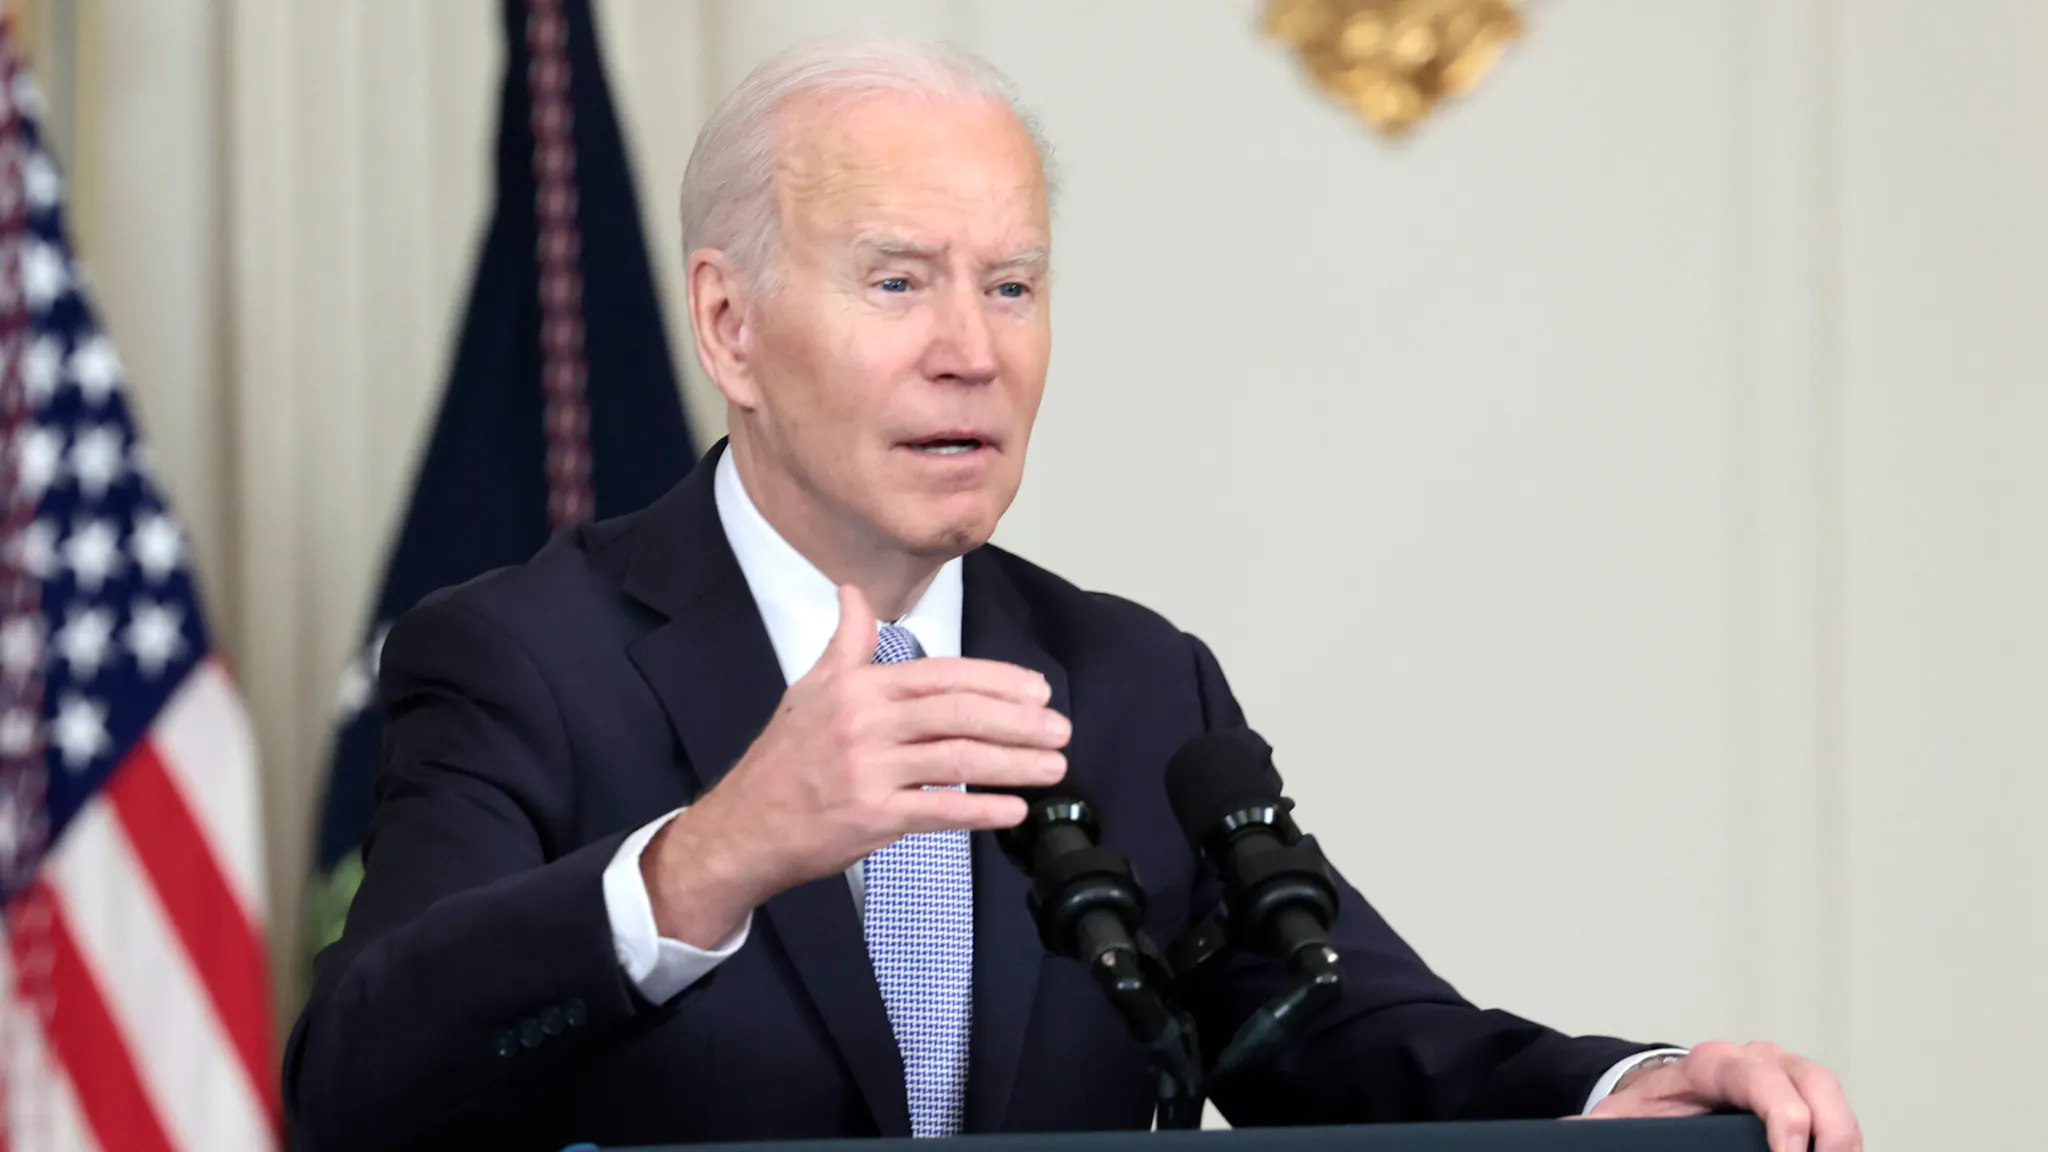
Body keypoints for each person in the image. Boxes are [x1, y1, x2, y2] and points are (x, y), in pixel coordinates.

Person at [283, 37, 1860, 1152]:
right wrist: (710, 861)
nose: (971, 350)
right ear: (729, 327)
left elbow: (1348, 1036)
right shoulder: (524, 660)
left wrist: (1625, 1092)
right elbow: (359, 1078)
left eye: (1013, 285)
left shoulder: (1132, 684)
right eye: (898, 280)